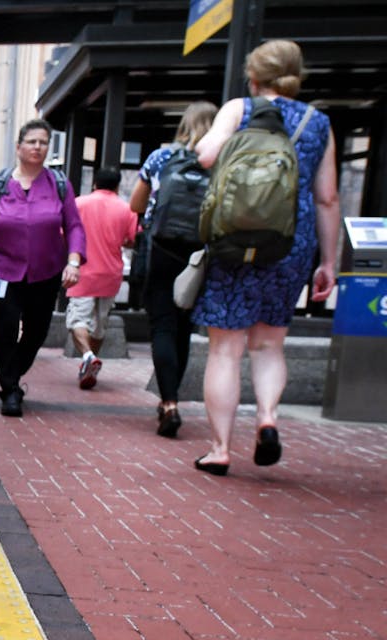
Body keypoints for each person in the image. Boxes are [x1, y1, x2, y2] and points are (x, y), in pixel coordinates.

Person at [189, 40, 339, 475]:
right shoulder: (318, 122)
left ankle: (219, 449)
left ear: (253, 75)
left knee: (225, 349)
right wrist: (327, 261)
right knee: (270, 343)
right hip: (292, 237)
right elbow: (327, 198)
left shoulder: (240, 108)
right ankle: (268, 418)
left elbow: (206, 155)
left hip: (236, 235)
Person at [0, 118, 86, 417]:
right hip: (2, 270)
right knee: (3, 329)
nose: (37, 147)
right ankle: (10, 389)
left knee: (37, 331)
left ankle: (12, 373)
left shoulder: (60, 186)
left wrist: (74, 260)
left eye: (43, 142)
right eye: (32, 142)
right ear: (18, 147)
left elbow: (75, 226)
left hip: (46, 271)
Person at [130, 101, 218, 437]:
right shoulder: (222, 160)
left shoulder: (161, 157)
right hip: (202, 253)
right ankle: (172, 396)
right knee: (183, 328)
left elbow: (136, 205)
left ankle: (169, 402)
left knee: (163, 326)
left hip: (162, 249)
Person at [66, 167, 139, 390]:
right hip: (110, 274)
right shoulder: (127, 209)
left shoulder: (79, 204)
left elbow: (64, 234)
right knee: (99, 325)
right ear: (117, 186)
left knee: (77, 320)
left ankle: (87, 356)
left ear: (94, 183)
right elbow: (133, 239)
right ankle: (89, 364)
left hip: (83, 272)